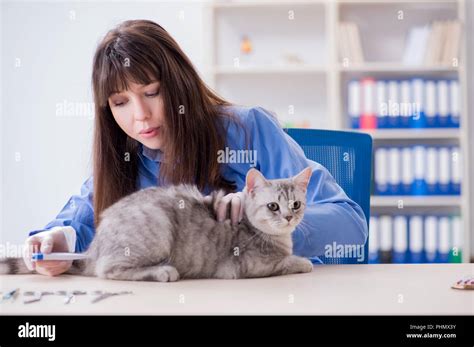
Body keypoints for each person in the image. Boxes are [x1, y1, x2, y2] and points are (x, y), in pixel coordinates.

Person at [24, 20, 368, 276]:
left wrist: (259, 223)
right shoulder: (127, 156)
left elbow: (351, 222)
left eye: (152, 92)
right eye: (120, 102)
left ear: (179, 83)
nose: (140, 116)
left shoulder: (249, 129)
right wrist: (55, 239)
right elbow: (79, 222)